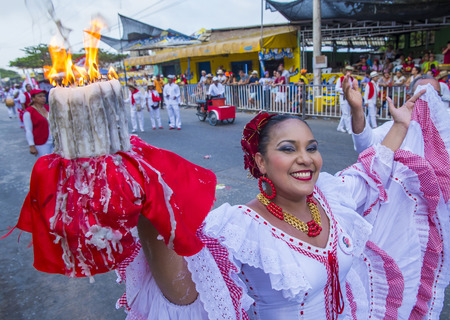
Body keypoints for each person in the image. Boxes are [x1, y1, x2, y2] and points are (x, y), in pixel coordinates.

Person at [117, 79, 448, 319]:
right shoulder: (240, 228)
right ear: (261, 162)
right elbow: (186, 291)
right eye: (288, 149)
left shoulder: (331, 197)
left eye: (311, 148)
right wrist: (150, 207)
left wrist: (401, 125)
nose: (306, 159)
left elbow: (370, 168)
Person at [23, 89, 53, 157]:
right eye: (40, 96)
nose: (43, 98)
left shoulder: (48, 108)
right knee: (45, 163)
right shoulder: (29, 112)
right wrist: (31, 145)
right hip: (41, 143)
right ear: (33, 99)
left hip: (54, 140)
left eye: (44, 96)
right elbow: (28, 130)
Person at [335, 65, 354, 134]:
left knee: (346, 113)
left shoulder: (352, 79)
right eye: (348, 71)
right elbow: (337, 88)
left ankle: (340, 126)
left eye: (350, 71)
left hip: (349, 96)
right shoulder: (340, 79)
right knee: (346, 113)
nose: (349, 72)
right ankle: (349, 129)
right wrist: (345, 90)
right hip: (343, 97)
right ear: (345, 71)